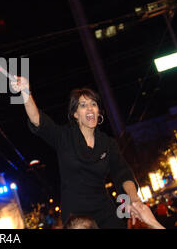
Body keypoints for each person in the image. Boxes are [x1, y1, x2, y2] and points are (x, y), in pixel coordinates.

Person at [11, 76, 141, 229]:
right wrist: (26, 92)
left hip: (105, 210)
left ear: (99, 112)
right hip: (76, 214)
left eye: (94, 104)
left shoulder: (108, 143)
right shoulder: (64, 137)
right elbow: (37, 120)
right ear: (75, 114)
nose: (90, 108)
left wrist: (134, 198)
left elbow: (122, 173)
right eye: (83, 105)